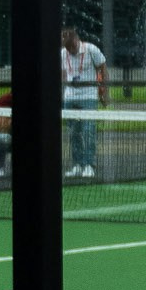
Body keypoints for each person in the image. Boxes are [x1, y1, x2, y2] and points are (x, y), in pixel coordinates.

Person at [60, 24, 107, 181]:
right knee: (73, 133)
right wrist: (62, 93)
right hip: (70, 98)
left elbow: (103, 69)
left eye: (70, 46)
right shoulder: (62, 53)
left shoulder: (91, 50)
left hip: (89, 96)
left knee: (88, 131)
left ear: (75, 38)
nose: (69, 50)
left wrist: (104, 92)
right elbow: (62, 74)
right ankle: (77, 165)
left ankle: (89, 165)